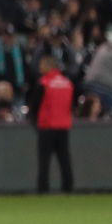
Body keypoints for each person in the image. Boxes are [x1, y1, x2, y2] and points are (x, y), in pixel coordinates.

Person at [34, 55, 76, 193]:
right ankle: (68, 187)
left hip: (47, 126)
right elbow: (71, 105)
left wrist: (35, 122)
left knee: (44, 160)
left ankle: (43, 188)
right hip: (63, 126)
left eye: (42, 65)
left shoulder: (44, 83)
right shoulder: (67, 83)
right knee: (64, 158)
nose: (40, 68)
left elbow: (35, 105)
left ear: (49, 66)